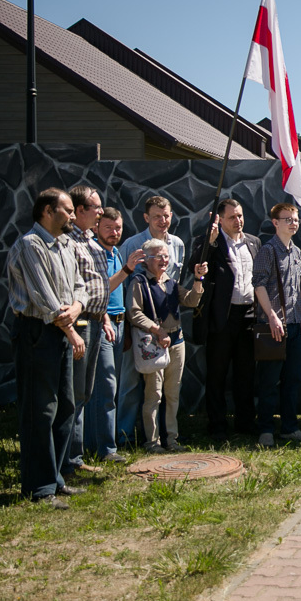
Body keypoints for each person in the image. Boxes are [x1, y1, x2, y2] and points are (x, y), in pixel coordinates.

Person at [6, 188, 89, 509]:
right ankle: (39, 488)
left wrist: (78, 306)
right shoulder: (31, 245)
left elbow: (80, 284)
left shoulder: (66, 245)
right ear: (46, 212)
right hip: (36, 333)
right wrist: (71, 330)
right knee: (40, 411)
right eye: (67, 210)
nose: (72, 215)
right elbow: (43, 298)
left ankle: (55, 478)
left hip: (61, 331)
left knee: (65, 407)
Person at [115, 196, 185, 447]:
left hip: (169, 330)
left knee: (166, 389)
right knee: (131, 383)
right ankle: (123, 437)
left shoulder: (177, 244)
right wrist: (126, 325)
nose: (162, 220)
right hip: (139, 327)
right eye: (157, 216)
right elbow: (121, 282)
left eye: (166, 215)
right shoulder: (132, 244)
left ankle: (165, 437)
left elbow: (173, 283)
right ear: (146, 218)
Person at [190, 199, 261, 440]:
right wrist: (209, 244)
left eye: (240, 216)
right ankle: (217, 426)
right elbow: (195, 266)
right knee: (217, 374)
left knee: (246, 374)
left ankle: (245, 423)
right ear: (220, 219)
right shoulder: (210, 242)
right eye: (232, 217)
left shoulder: (253, 242)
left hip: (248, 316)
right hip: (222, 318)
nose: (238, 221)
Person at [129, 239, 206, 454]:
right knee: (154, 394)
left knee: (172, 393)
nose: (164, 260)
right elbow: (134, 313)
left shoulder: (170, 281)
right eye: (159, 256)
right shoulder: (139, 282)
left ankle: (171, 439)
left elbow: (191, 301)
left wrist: (199, 279)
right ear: (147, 260)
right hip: (153, 345)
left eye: (166, 256)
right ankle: (152, 443)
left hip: (176, 342)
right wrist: (157, 330)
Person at [83, 207, 143, 463]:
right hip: (101, 324)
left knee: (110, 386)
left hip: (120, 325)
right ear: (97, 227)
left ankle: (96, 443)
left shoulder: (116, 252)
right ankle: (105, 449)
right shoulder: (94, 253)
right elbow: (101, 290)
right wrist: (128, 269)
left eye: (118, 228)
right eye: (108, 228)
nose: (114, 233)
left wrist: (126, 326)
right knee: (104, 387)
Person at [253, 202, 301, 447]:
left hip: (295, 324)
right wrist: (272, 316)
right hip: (273, 327)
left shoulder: (297, 252)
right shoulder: (268, 250)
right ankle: (265, 430)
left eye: (295, 219)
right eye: (287, 219)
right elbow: (258, 285)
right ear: (275, 223)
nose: (293, 223)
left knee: (293, 379)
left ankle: (290, 428)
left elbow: (297, 290)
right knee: (269, 381)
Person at [64, 186, 111, 477]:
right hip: (79, 324)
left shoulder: (90, 239)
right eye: (96, 207)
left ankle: (75, 456)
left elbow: (97, 284)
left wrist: (103, 315)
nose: (101, 212)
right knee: (75, 392)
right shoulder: (68, 242)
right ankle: (69, 459)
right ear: (80, 211)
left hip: (95, 319)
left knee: (85, 391)